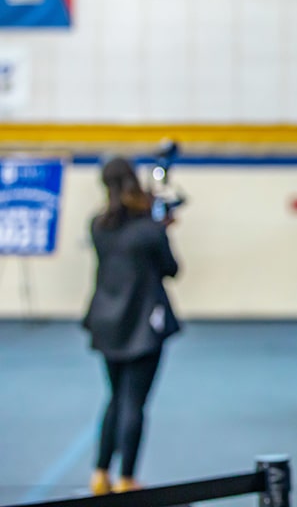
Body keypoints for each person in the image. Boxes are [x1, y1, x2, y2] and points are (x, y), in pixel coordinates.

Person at [82, 156, 181, 495]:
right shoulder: (148, 230)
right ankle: (126, 478)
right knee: (134, 402)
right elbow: (171, 268)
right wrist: (161, 227)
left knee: (114, 398)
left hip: (107, 322)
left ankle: (100, 473)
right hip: (142, 323)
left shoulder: (97, 225)